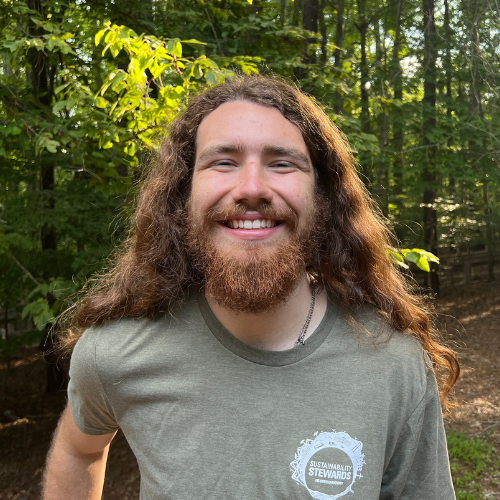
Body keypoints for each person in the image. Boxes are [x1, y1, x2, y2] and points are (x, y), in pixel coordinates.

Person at [43, 75, 459, 500]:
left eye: (282, 163)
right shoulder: (115, 353)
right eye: (223, 162)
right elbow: (80, 450)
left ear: (323, 196)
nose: (253, 189)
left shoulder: (393, 363)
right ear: (182, 194)